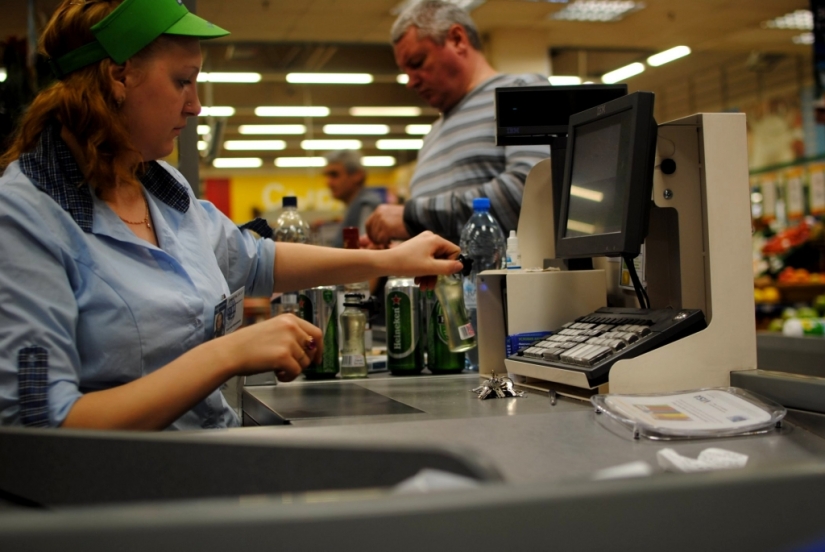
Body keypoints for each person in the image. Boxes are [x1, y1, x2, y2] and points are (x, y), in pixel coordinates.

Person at [0, 0, 463, 431]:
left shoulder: (162, 190)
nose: (196, 104)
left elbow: (255, 260)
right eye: (182, 81)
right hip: (121, 498)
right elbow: (42, 422)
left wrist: (390, 260)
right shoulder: (26, 216)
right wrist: (226, 355)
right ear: (117, 78)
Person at [365, 0, 550, 246]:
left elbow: (528, 195)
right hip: (446, 284)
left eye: (417, 63)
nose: (410, 82)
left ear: (457, 39)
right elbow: (441, 231)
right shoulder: (432, 135)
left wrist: (412, 216)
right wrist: (399, 241)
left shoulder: (521, 93)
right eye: (405, 71)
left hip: (502, 284)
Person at [323, 150, 383, 248]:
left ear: (357, 175)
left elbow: (365, 252)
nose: (328, 182)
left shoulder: (366, 205)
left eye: (334, 175)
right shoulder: (355, 207)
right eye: (327, 176)